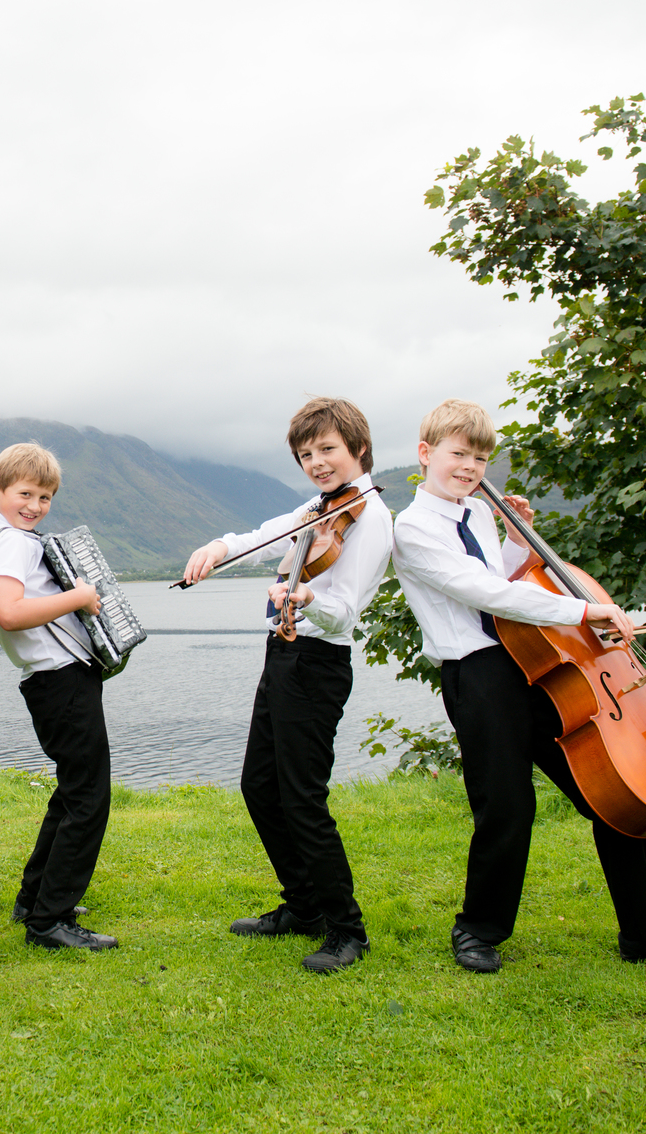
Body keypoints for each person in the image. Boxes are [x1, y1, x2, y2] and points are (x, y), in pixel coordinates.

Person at [390, 398, 646, 973]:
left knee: (610, 787)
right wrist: (580, 610)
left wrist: (519, 541)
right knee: (507, 806)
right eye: (457, 454)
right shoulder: (412, 528)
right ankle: (478, 930)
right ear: (426, 455)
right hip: (478, 676)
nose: (469, 468)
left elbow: (502, 576)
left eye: (479, 458)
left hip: (534, 668)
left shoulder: (475, 513)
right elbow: (483, 594)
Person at [180, 397, 393, 974]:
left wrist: (307, 599)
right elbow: (265, 533)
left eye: (327, 450)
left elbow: (345, 611)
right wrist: (219, 548)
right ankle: (303, 906)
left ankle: (346, 930)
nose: (317, 462)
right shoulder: (319, 508)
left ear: (358, 448)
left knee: (302, 798)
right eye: (306, 454)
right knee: (258, 786)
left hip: (320, 662)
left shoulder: (371, 518)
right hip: (284, 654)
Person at [0, 442, 116, 951]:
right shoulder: (15, 542)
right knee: (88, 798)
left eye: (45, 497)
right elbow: (10, 612)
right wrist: (80, 597)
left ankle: (36, 898)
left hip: (49, 681)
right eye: (25, 494)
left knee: (72, 790)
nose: (34, 506)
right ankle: (50, 920)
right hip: (61, 679)